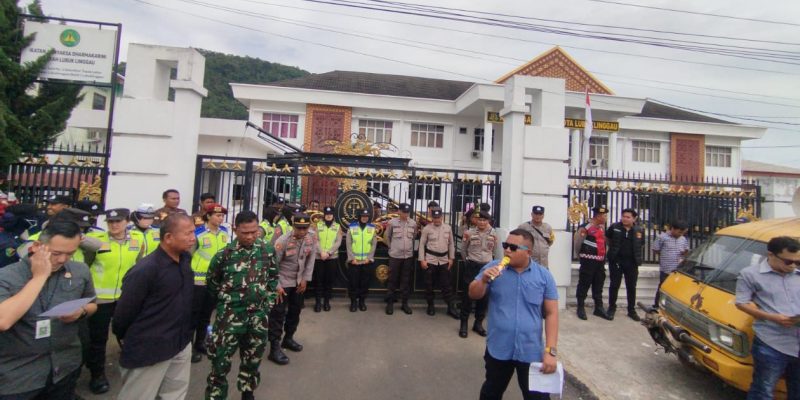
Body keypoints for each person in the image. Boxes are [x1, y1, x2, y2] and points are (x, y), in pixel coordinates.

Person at [0, 221, 98, 399]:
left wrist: (81, 311)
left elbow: (93, 304)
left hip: (64, 368)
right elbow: (3, 321)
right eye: (56, 253)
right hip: (18, 377)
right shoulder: (7, 276)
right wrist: (39, 276)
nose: (62, 260)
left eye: (70, 254)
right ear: (37, 246)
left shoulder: (80, 271)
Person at [468, 229, 559, 400]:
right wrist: (484, 280)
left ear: (528, 252)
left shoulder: (544, 276)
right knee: (490, 393)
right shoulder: (492, 268)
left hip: (530, 351)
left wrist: (550, 352)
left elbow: (552, 313)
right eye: (505, 245)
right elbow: (473, 293)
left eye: (513, 247)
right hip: (499, 349)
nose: (507, 250)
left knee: (537, 397)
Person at [113, 213, 195, 400]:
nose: (193, 238)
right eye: (188, 233)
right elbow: (124, 314)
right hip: (150, 349)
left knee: (174, 393)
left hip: (180, 342)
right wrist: (127, 338)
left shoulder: (184, 261)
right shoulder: (146, 270)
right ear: (168, 237)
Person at [205, 211, 280, 400]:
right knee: (220, 361)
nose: (250, 236)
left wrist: (267, 303)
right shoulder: (224, 255)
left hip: (257, 317)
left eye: (254, 232)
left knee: (253, 358)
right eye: (245, 232)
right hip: (229, 318)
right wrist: (226, 304)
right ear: (235, 229)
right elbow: (212, 283)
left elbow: (272, 278)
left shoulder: (267, 250)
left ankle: (248, 392)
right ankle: (216, 395)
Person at [84, 208, 145, 394]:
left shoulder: (137, 239)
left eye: (118, 221)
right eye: (110, 222)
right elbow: (86, 265)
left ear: (127, 221)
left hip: (125, 296)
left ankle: (132, 365)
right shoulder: (96, 241)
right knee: (98, 338)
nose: (114, 225)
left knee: (128, 333)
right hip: (101, 298)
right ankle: (97, 374)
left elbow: (139, 264)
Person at [735, 236, 800, 400]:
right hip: (771, 343)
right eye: (788, 262)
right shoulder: (750, 275)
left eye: (797, 262)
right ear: (771, 255)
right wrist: (772, 317)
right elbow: (742, 303)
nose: (793, 265)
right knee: (763, 390)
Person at [267, 213, 316, 366]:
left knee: (295, 311)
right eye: (298, 228)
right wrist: (276, 286)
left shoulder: (311, 237)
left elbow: (311, 258)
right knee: (278, 314)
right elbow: (273, 265)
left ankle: (288, 338)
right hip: (283, 282)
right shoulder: (282, 241)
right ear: (293, 226)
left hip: (298, 282)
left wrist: (305, 279)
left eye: (305, 228)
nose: (302, 231)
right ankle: (274, 347)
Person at [190, 204, 230, 363]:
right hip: (198, 281)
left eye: (222, 216)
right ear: (208, 216)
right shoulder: (198, 233)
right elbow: (189, 255)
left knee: (206, 315)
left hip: (215, 281)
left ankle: (200, 343)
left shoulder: (224, 233)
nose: (220, 218)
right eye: (217, 215)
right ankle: (188, 347)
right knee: (193, 315)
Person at [460, 211, 501, 338]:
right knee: (468, 295)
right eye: (480, 220)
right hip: (472, 265)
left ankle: (478, 323)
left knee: (484, 296)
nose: (482, 222)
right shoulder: (469, 233)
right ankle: (464, 324)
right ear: (476, 221)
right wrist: (467, 261)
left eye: (485, 220)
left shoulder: (494, 234)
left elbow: (494, 250)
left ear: (488, 221)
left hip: (486, 267)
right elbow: (463, 250)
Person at [572, 205, 611, 321]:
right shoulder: (585, 227)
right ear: (598, 216)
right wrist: (581, 256)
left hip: (600, 262)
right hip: (588, 261)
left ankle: (598, 308)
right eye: (604, 215)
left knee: (598, 284)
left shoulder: (602, 228)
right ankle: (580, 307)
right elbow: (578, 243)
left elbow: (604, 243)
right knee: (584, 284)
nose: (605, 217)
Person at [605, 208, 644, 321]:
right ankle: (612, 308)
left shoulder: (639, 230)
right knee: (614, 285)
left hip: (632, 263)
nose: (625, 219)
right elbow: (608, 239)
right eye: (623, 216)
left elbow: (641, 244)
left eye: (628, 217)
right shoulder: (614, 227)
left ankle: (631, 310)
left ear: (634, 218)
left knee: (631, 287)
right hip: (616, 261)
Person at [419, 208, 458, 318]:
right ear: (432, 218)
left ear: (442, 217)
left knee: (446, 285)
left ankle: (450, 307)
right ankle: (430, 305)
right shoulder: (427, 228)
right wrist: (422, 259)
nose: (437, 220)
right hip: (431, 259)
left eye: (438, 218)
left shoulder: (448, 228)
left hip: (444, 260)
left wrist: (451, 258)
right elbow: (422, 244)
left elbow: (451, 244)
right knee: (429, 284)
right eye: (435, 218)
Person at [384, 203, 417, 315]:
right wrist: (391, 247)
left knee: (406, 280)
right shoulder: (392, 222)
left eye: (407, 212)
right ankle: (390, 303)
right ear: (399, 211)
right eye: (404, 212)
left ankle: (404, 304)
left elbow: (414, 237)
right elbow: (387, 237)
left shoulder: (413, 223)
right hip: (395, 256)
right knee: (392, 280)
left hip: (407, 256)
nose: (405, 214)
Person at [652, 221, 689, 308]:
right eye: (679, 232)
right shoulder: (662, 237)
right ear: (672, 229)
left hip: (678, 270)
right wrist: (666, 255)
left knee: (676, 289)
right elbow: (655, 249)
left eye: (683, 233)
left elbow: (685, 250)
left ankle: (671, 306)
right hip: (666, 269)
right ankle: (657, 305)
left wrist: (684, 253)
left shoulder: (683, 239)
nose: (681, 234)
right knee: (663, 287)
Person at [346, 209, 376, 312]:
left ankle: (362, 301)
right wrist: (351, 258)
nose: (365, 217)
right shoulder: (352, 227)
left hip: (366, 262)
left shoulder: (372, 228)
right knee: (353, 283)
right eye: (363, 216)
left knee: (364, 283)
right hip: (355, 262)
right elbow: (348, 244)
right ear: (359, 216)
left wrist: (369, 258)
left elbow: (373, 244)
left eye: (366, 216)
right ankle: (353, 302)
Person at [313, 206, 342, 312]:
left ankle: (326, 302)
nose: (329, 216)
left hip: (332, 257)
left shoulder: (337, 226)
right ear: (324, 215)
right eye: (327, 214)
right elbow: (315, 240)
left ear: (333, 215)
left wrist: (329, 252)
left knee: (328, 281)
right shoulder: (318, 225)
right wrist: (321, 252)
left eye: (330, 214)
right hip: (319, 257)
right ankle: (318, 303)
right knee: (318, 281)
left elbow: (338, 241)